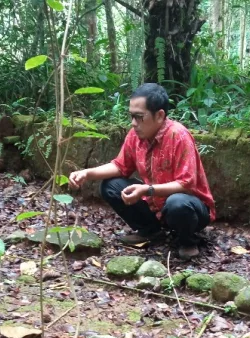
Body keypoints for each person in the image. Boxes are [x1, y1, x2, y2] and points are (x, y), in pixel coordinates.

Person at [68, 83, 215, 259]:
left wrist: (147, 189)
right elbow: (120, 166)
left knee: (177, 203)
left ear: (159, 115)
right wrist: (87, 173)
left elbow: (186, 183)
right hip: (156, 204)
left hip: (190, 207)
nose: (133, 123)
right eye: (132, 116)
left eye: (139, 117)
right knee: (111, 186)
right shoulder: (135, 135)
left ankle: (187, 240)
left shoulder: (179, 136)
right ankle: (150, 230)